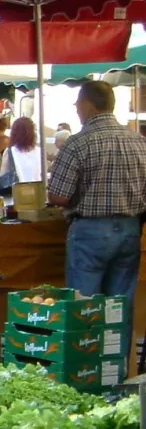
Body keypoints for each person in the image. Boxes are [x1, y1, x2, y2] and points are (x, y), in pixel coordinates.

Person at [48, 79, 146, 348]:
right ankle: (116, 374)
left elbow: (57, 196)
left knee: (85, 308)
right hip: (130, 230)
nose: (77, 111)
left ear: (88, 105)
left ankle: (85, 372)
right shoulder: (140, 142)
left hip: (90, 232)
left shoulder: (77, 144)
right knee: (118, 309)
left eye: (78, 105)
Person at [0, 117, 44, 198]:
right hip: (37, 195)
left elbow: (2, 176)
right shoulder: (40, 151)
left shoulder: (10, 152)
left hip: (18, 197)